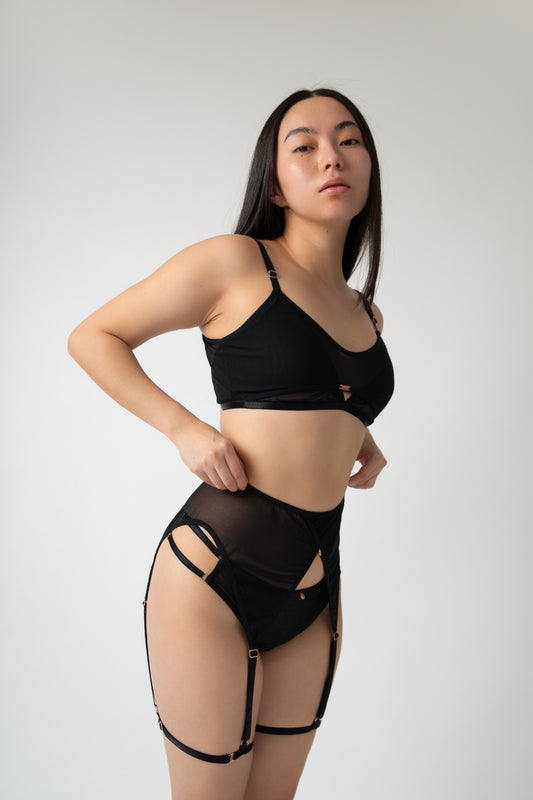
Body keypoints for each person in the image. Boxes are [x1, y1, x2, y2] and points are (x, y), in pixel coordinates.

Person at [68, 87, 394, 800]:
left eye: (349, 140)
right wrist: (184, 429)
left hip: (317, 579)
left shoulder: (364, 310)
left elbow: (309, 388)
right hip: (212, 572)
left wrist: (361, 431)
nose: (331, 157)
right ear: (273, 184)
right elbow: (93, 337)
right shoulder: (236, 263)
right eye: (304, 146)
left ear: (369, 166)